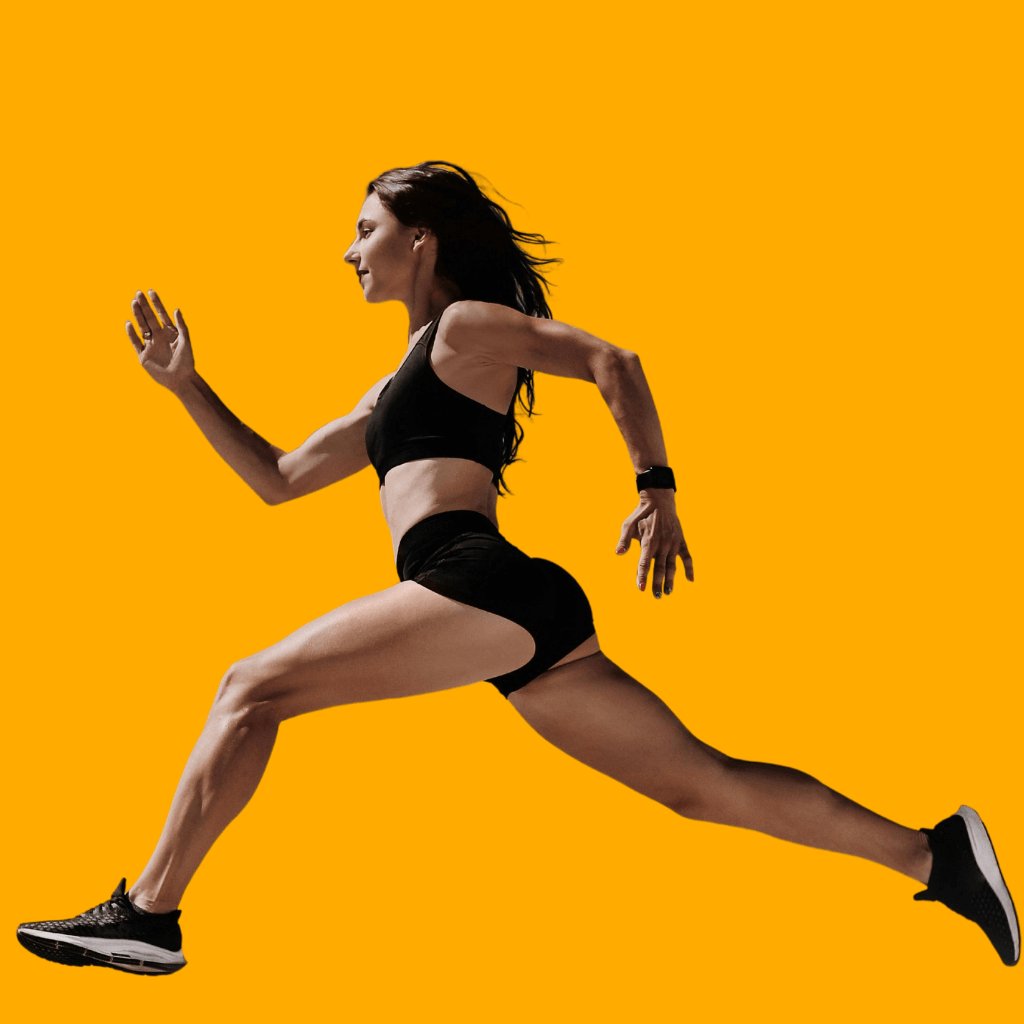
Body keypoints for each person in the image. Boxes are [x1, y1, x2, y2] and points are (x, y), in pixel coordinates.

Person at [16, 161, 1018, 974]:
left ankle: (149, 911)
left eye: (365, 228)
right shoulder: (399, 381)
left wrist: (655, 485)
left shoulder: (464, 326)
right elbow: (278, 478)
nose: (348, 248)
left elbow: (611, 360)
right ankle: (934, 853)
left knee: (249, 688)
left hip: (473, 580)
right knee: (701, 786)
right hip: (509, 609)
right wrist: (188, 387)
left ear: (421, 240)